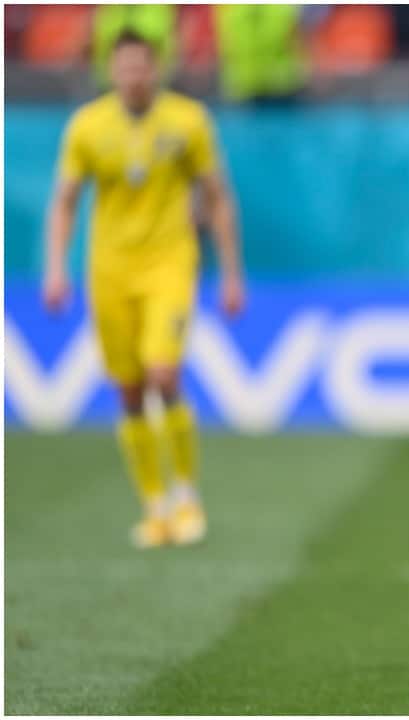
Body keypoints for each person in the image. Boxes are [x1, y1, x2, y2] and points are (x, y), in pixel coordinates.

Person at [43, 30, 245, 549]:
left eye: (142, 67)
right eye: (125, 68)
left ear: (156, 69)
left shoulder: (188, 121)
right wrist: (55, 268)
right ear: (113, 72)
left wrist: (230, 273)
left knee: (163, 373)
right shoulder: (88, 126)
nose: (134, 77)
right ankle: (154, 507)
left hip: (169, 263)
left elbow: (217, 197)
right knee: (130, 392)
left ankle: (186, 494)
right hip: (109, 269)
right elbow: (65, 201)